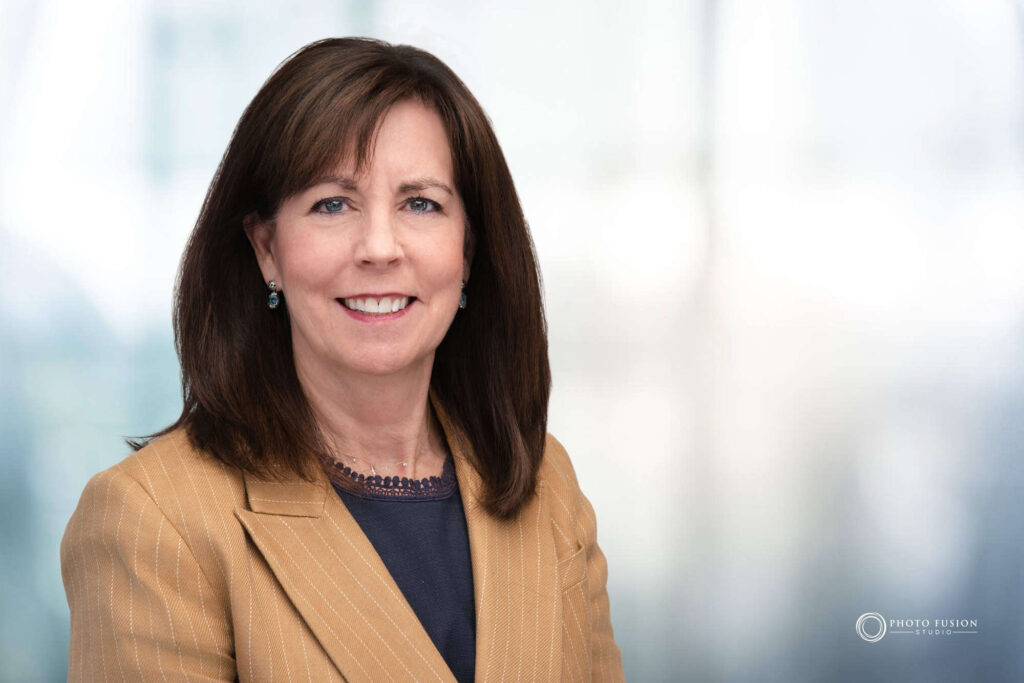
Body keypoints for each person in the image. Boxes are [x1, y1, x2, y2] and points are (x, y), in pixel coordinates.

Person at [60, 37, 624, 682]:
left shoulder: (545, 481)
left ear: (468, 251)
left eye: (422, 203)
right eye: (332, 204)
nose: (380, 247)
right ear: (267, 249)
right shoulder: (153, 519)